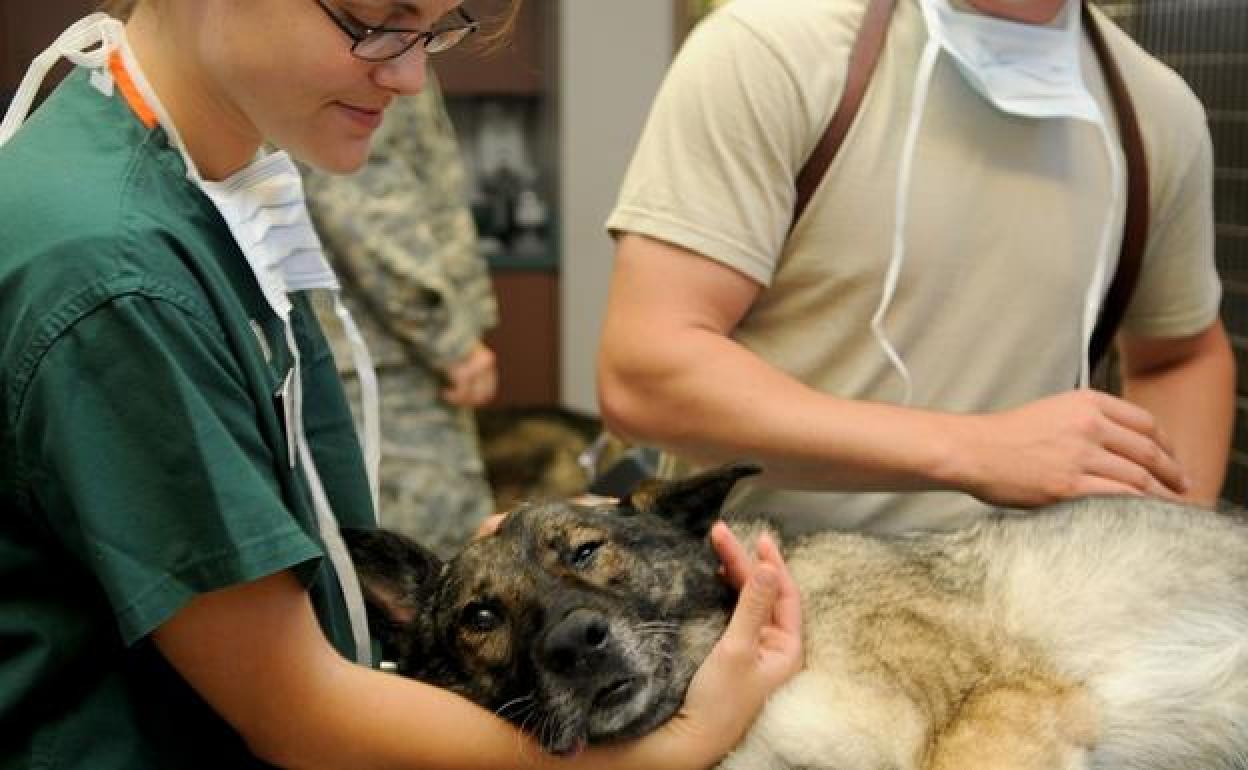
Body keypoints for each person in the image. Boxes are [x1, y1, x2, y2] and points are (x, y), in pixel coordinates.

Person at [0, 2, 802, 769]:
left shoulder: (213, 192)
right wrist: (677, 747)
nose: (411, 77)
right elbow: (295, 713)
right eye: (376, 23)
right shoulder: (115, 273)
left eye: (434, 32)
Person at [599, 0, 1236, 537]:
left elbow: (1180, 355)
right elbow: (646, 372)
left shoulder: (1156, 114)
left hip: (1028, 624)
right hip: (764, 614)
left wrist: (1165, 549)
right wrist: (974, 449)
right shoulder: (776, 50)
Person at [301, 77, 499, 559]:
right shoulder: (369, 54)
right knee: (432, 568)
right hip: (385, 364)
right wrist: (450, 341)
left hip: (376, 354)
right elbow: (366, 209)